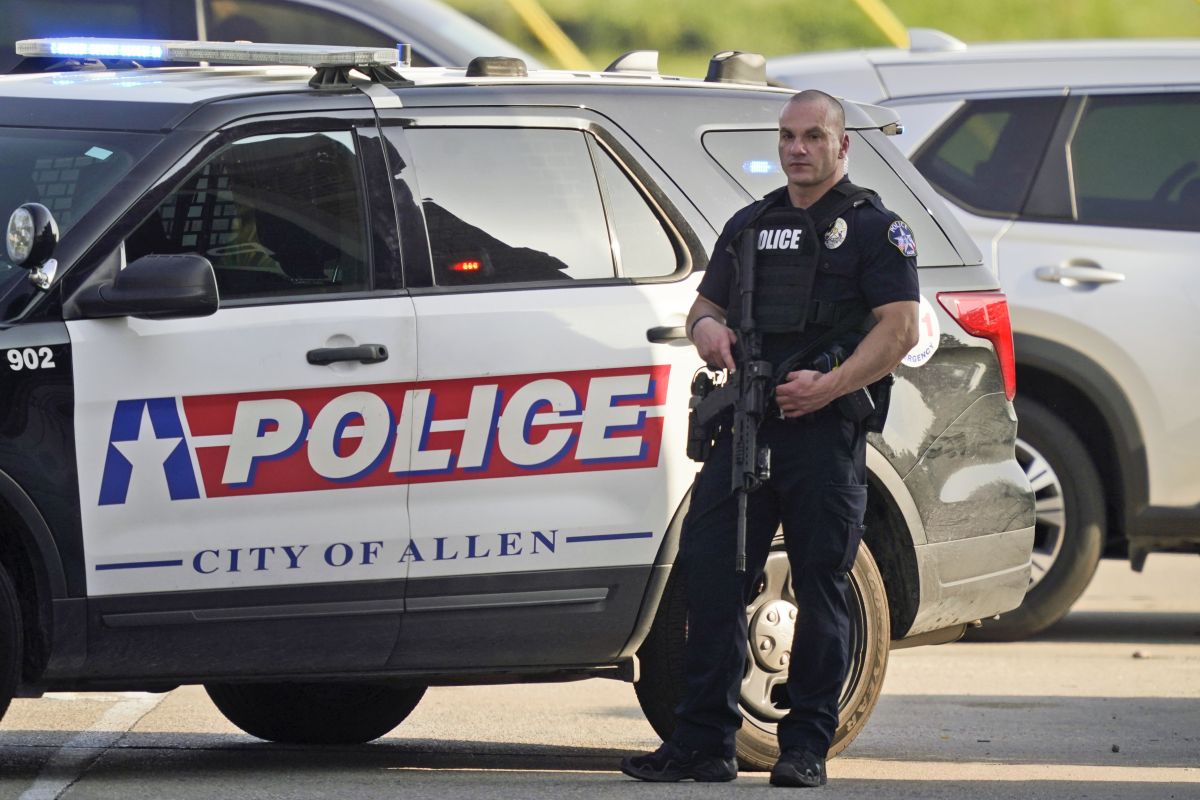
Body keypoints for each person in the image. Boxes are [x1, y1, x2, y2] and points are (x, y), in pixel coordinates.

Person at [621, 90, 919, 787]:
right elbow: (705, 305)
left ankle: (805, 746)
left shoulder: (875, 230)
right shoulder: (752, 225)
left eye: (813, 136)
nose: (797, 148)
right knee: (712, 580)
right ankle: (703, 744)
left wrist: (833, 383)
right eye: (788, 136)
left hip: (821, 436)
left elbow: (900, 326)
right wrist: (708, 332)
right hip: (745, 426)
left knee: (820, 588)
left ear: (842, 146)